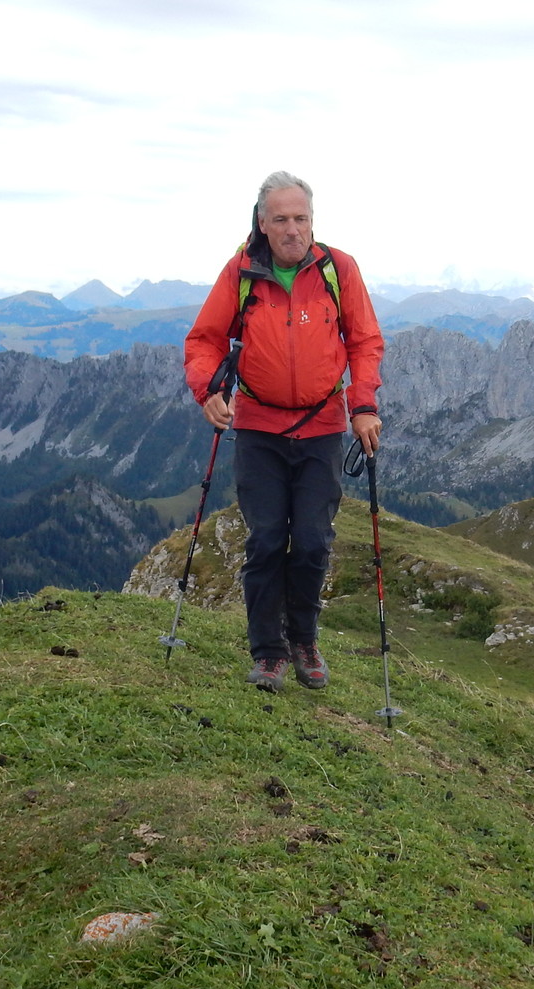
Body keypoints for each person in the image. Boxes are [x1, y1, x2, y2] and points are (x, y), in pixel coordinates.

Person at [183, 171, 385, 693]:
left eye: (301, 218)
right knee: (268, 539)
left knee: (314, 541)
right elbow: (204, 339)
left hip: (322, 426)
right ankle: (268, 653)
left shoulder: (339, 270)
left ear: (312, 221)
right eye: (281, 220)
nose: (293, 229)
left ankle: (304, 640)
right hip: (258, 428)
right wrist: (208, 390)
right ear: (262, 223)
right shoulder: (242, 274)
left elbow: (365, 342)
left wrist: (362, 405)